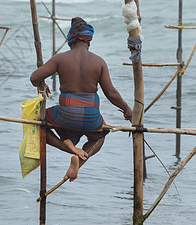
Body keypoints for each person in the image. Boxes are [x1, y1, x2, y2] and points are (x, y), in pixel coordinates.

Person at [30, 17, 132, 182]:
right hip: (92, 117)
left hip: (66, 114)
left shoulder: (60, 58)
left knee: (38, 122)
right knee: (99, 137)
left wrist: (42, 83)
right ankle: (81, 155)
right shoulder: (99, 62)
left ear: (70, 39)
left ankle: (70, 149)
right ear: (89, 42)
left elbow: (34, 77)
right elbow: (111, 93)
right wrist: (128, 110)